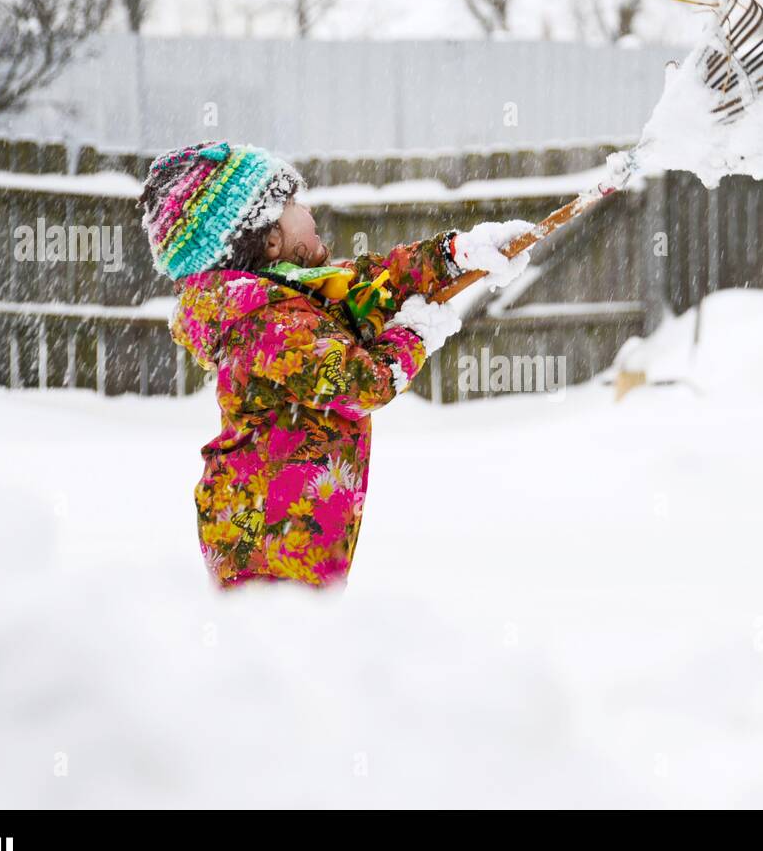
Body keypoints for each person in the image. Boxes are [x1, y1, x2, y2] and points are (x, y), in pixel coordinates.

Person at [138, 140, 533, 589]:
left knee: (296, 649)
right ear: (270, 240)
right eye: (292, 202)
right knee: (280, 651)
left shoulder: (294, 294)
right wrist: (416, 333)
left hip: (284, 536)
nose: (307, 211)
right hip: (265, 545)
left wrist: (456, 253)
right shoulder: (267, 322)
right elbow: (359, 382)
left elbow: (372, 284)